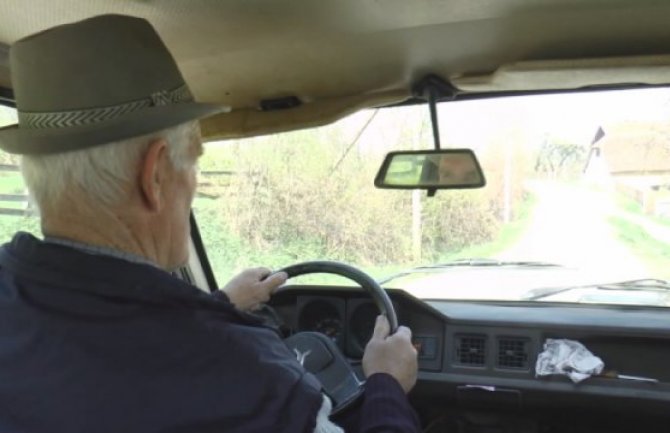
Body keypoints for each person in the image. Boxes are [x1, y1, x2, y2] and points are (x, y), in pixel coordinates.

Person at [0, 14, 419, 433]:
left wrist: (217, 307)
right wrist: (386, 384)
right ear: (156, 176)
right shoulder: (252, 380)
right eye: (195, 162)